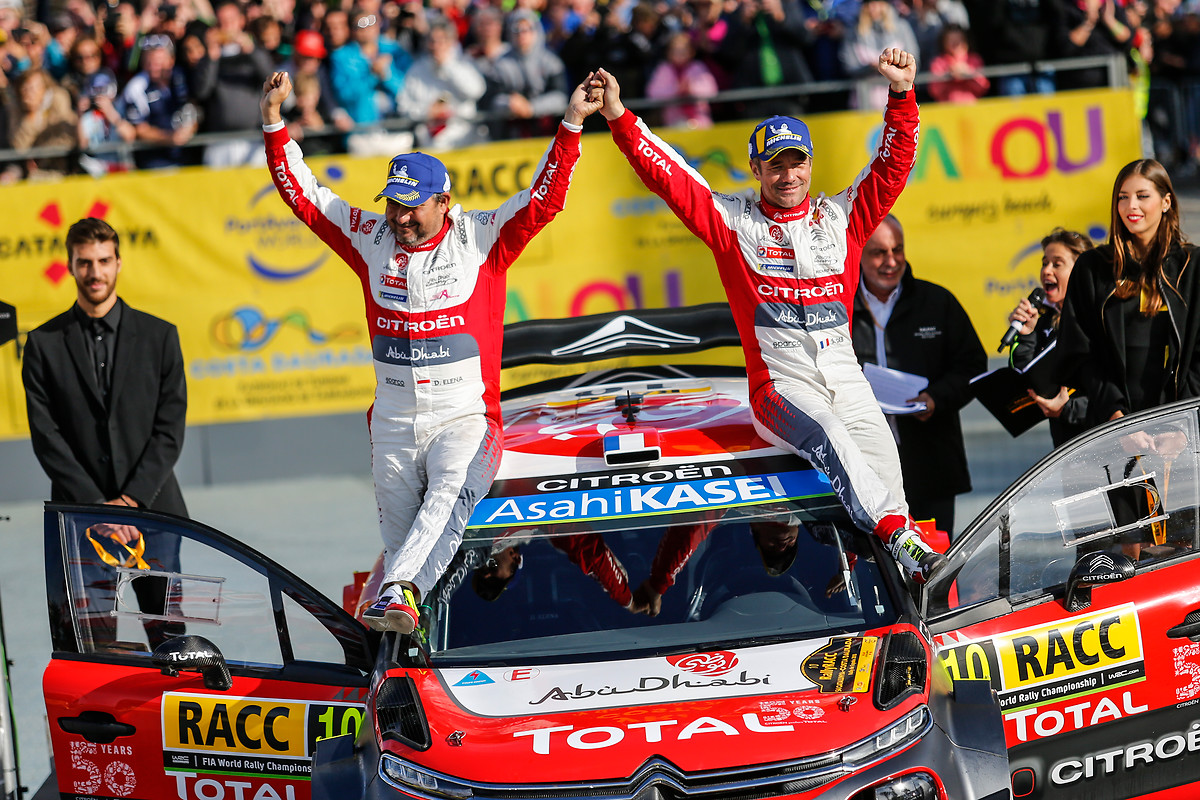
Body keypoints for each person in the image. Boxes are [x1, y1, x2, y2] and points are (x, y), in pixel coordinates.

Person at [261, 68, 602, 634]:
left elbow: (546, 198)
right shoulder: (370, 236)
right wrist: (274, 123)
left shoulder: (480, 236)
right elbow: (307, 197)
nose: (398, 217)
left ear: (444, 202)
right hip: (393, 421)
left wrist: (570, 123)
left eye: (411, 206)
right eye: (392, 204)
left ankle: (398, 594)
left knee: (445, 502)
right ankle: (411, 634)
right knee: (404, 549)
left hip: (463, 417)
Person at [593, 48, 946, 584]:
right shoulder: (732, 222)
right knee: (831, 437)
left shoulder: (842, 215)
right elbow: (669, 175)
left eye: (796, 162)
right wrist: (620, 116)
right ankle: (898, 535)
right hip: (780, 388)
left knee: (887, 474)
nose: (787, 175)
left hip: (848, 379)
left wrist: (901, 94)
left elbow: (894, 164)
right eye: (775, 164)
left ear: (811, 164)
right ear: (755, 168)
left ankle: (886, 576)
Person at [21, 217, 188, 647]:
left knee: (169, 641)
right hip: (80, 519)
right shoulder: (42, 344)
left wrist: (129, 503)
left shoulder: (160, 336)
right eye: (84, 262)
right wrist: (98, 508)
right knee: (91, 646)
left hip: (154, 514)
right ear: (70, 265)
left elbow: (169, 430)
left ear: (118, 262)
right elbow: (47, 437)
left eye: (103, 261)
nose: (94, 272)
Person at [851, 215, 987, 535]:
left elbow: (972, 365)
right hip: (861, 461)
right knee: (873, 558)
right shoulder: (838, 306)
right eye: (879, 253)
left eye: (897, 250)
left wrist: (936, 399)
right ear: (858, 254)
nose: (891, 261)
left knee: (932, 556)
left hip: (930, 463)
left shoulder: (937, 302)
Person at [1060, 158, 1200, 430]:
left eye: (1142, 196)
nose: (1130, 206)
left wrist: (1181, 426)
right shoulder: (1092, 268)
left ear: (1166, 202)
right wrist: (1114, 414)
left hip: (1181, 427)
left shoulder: (1192, 267)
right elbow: (1079, 352)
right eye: (1122, 197)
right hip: (1110, 427)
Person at [1005, 227, 1094, 447]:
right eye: (1044, 263)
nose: (1046, 270)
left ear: (1080, 269)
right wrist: (1026, 335)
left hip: (1107, 443)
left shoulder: (1100, 317)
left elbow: (1117, 393)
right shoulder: (1043, 319)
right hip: (1066, 449)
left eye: (1057, 264)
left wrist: (1069, 409)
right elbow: (1026, 380)